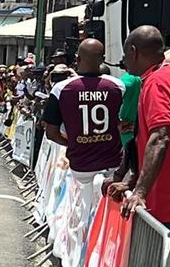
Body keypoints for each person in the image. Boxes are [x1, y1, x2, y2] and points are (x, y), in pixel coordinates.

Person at [106, 27, 170, 224]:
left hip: (164, 204)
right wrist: (132, 182)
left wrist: (139, 192)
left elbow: (161, 136)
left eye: (125, 55)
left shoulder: (157, 82)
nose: (124, 61)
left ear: (133, 51)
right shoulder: (160, 77)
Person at [43, 39, 125, 180]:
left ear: (77, 58)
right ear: (103, 60)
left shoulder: (61, 89)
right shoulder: (117, 86)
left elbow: (51, 133)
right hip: (113, 165)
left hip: (81, 166)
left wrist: (74, 143)